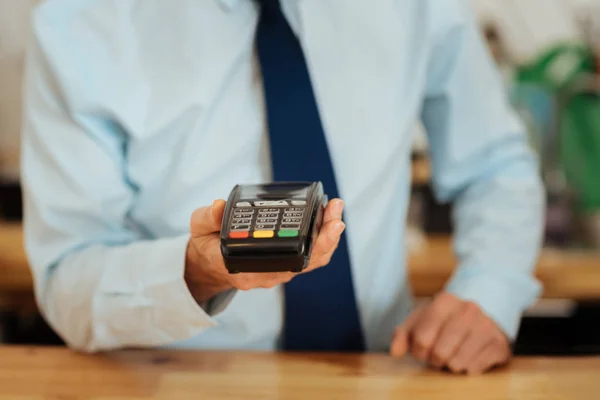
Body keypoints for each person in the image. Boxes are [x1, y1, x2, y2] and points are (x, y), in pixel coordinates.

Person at [21, 0, 545, 375]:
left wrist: (488, 292)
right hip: (181, 380)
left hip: (383, 371)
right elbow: (68, 274)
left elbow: (495, 166)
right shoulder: (78, 22)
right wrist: (194, 272)